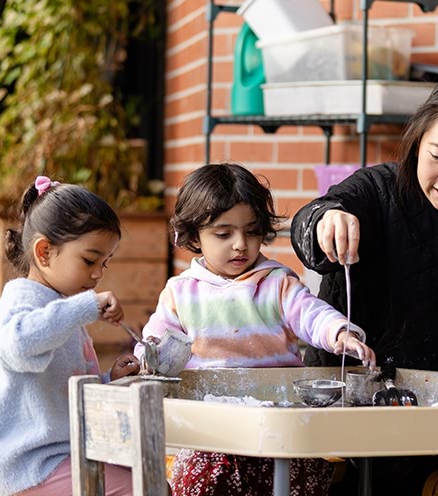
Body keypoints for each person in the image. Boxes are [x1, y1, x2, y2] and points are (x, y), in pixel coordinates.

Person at [290, 75, 438, 494]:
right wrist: (326, 219)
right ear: (416, 145)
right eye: (436, 156)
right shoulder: (379, 191)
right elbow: (313, 218)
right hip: (348, 410)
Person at [137, 163, 376, 496]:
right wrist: (145, 355)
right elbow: (155, 341)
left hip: (277, 426)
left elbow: (310, 313)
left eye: (251, 232)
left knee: (297, 482)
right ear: (194, 236)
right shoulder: (181, 292)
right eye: (224, 234)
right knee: (197, 484)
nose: (240, 244)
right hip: (211, 431)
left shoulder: (277, 282)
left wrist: (339, 333)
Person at [0, 177, 141, 496]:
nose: (98, 274)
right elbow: (20, 346)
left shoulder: (60, 309)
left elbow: (66, 390)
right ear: (45, 252)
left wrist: (108, 379)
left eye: (105, 263)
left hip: (63, 454)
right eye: (89, 260)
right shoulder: (22, 300)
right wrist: (86, 306)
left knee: (148, 474)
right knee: (139, 489)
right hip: (28, 465)